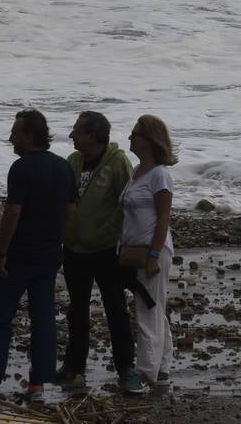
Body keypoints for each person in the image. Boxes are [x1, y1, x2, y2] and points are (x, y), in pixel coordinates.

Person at [0, 109, 77, 407]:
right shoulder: (64, 167)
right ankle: (38, 383)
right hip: (50, 254)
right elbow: (71, 212)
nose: (11, 137)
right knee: (43, 319)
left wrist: (1, 254)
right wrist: (60, 243)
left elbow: (13, 212)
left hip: (20, 256)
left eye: (15, 132)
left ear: (29, 135)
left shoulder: (21, 167)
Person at [57, 111, 135, 392]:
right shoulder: (73, 161)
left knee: (115, 309)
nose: (72, 135)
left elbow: (126, 204)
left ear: (93, 135)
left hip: (105, 249)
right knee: (76, 310)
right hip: (74, 248)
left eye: (77, 130)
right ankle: (73, 366)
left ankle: (126, 368)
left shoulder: (118, 162)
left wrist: (107, 233)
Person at [119, 113, 177, 395]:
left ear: (149, 140)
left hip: (152, 252)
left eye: (134, 134)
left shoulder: (160, 175)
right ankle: (162, 368)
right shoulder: (136, 172)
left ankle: (145, 374)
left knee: (147, 312)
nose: (130, 138)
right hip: (136, 250)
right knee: (156, 308)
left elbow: (163, 219)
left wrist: (154, 255)